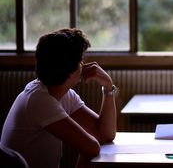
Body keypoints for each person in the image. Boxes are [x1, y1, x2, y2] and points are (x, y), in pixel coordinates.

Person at [0, 28, 118, 168]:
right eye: (81, 60)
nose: (83, 65)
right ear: (70, 68)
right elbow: (92, 147)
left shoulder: (64, 94)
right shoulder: (39, 99)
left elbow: (106, 135)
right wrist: (88, 145)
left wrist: (108, 86)